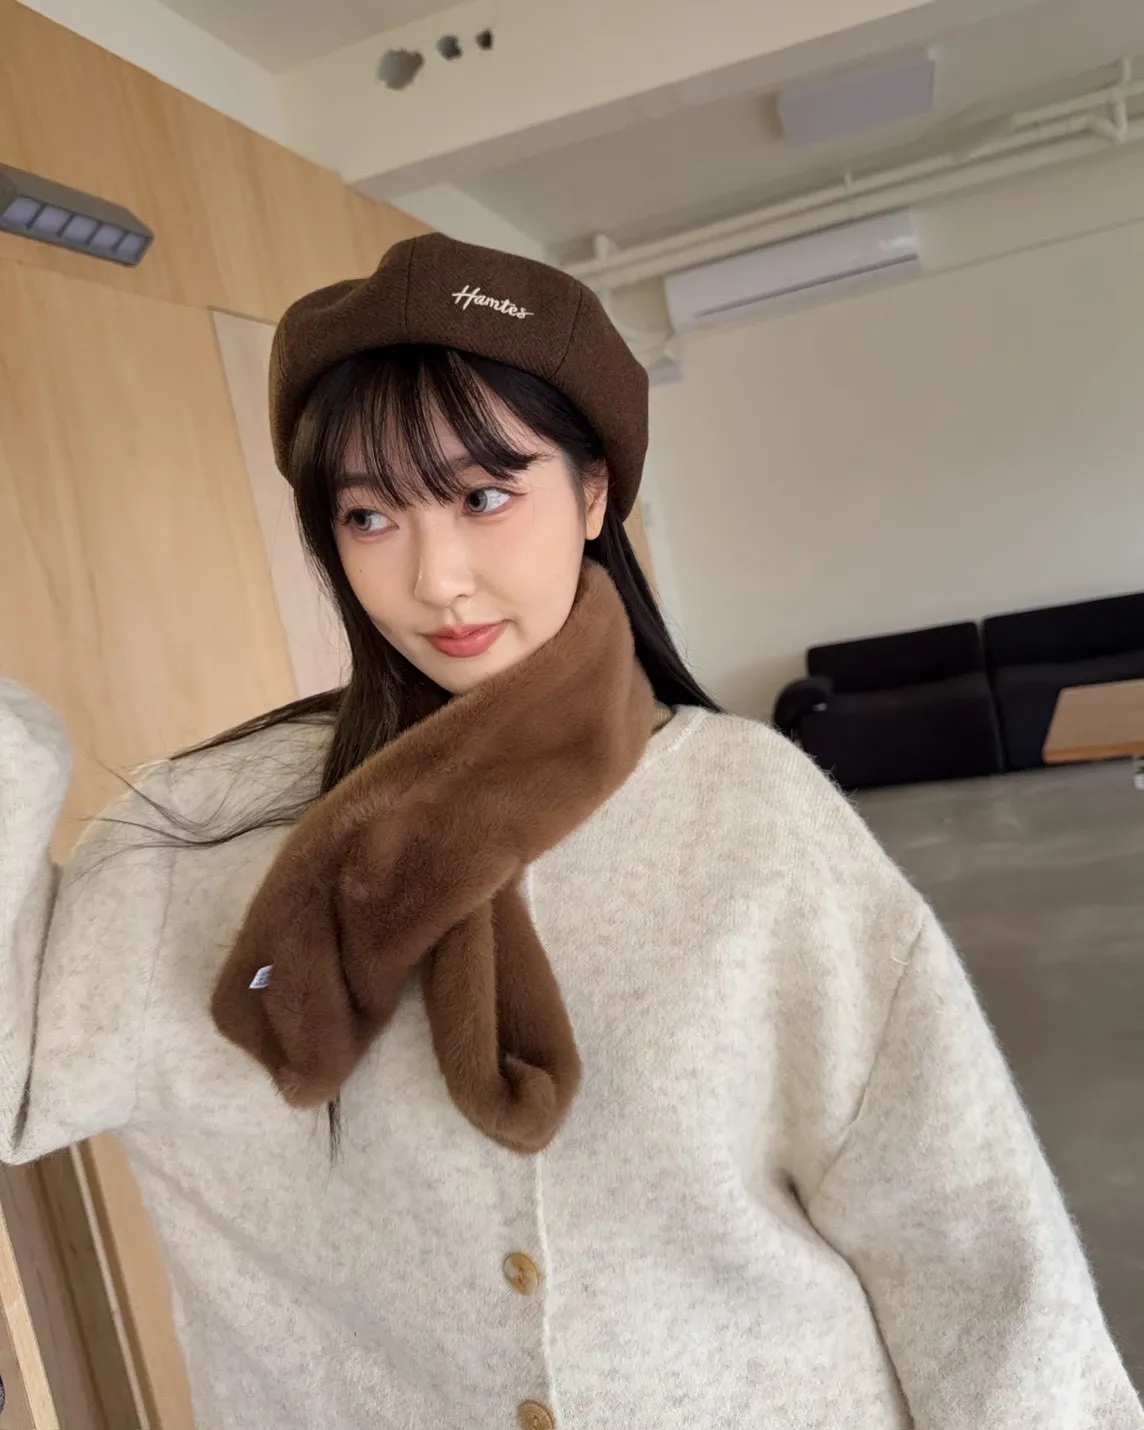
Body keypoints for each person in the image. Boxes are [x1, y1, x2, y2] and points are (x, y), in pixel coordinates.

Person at [1, 234, 1139, 1430]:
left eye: (484, 495)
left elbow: (957, 1229)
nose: (437, 577)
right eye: (370, 515)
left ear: (593, 493)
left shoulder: (747, 814)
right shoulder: (210, 830)